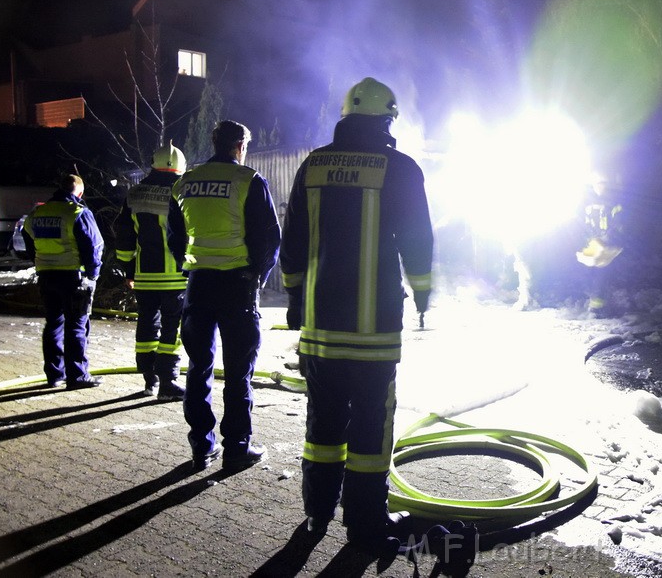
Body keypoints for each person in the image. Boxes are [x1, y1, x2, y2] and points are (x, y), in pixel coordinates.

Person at [280, 77, 433, 554]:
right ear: (386, 120)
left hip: (321, 328)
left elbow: (294, 242)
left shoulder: (314, 164)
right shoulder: (400, 168)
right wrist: (423, 294)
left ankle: (316, 510)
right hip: (375, 329)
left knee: (323, 424)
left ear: (345, 117)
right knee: (370, 425)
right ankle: (365, 523)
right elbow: (418, 241)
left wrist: (293, 299)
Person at [168, 120, 281, 471]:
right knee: (237, 371)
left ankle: (202, 446)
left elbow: (175, 236)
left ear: (214, 141)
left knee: (198, 367)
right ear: (241, 146)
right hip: (237, 286)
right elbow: (269, 237)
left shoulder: (184, 181)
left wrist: (190, 265)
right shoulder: (248, 180)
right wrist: (258, 276)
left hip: (198, 285)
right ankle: (236, 447)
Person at [116, 142, 188, 400]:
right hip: (176, 278)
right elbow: (186, 233)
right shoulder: (181, 191)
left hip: (144, 276)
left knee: (147, 325)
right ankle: (169, 382)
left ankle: (150, 380)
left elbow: (124, 237)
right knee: (172, 330)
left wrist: (128, 270)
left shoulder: (134, 194)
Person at [22, 173, 104, 389]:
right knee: (76, 325)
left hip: (47, 275)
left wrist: (39, 260)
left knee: (53, 323)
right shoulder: (77, 212)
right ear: (80, 192)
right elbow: (94, 246)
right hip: (73, 276)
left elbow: (28, 238)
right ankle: (77, 377)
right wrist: (93, 274)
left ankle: (54, 375)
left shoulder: (38, 212)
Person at [576, 171, 624, 317]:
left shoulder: (613, 202)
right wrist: (588, 238)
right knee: (588, 271)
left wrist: (608, 238)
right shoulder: (587, 202)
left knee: (601, 273)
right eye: (597, 184)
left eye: (602, 183)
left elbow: (619, 223)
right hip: (592, 242)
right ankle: (593, 300)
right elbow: (582, 222)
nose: (600, 187)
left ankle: (597, 307)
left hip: (608, 244)